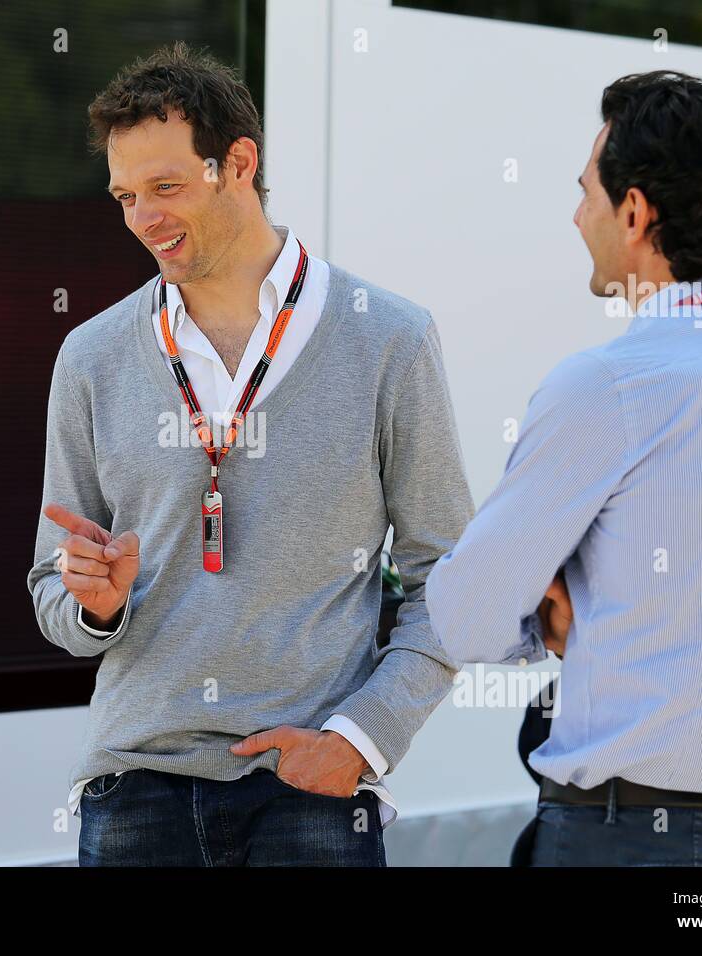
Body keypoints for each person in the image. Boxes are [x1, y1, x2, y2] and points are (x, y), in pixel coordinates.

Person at [27, 43, 473, 866]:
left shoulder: (388, 338)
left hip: (309, 789)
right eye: (126, 196)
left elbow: (447, 576)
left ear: (240, 163)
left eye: (166, 188)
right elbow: (53, 592)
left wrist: (361, 741)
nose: (143, 219)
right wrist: (93, 604)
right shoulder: (90, 358)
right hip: (134, 788)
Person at [423, 71, 702, 867]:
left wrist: (560, 625)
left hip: (625, 841)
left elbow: (464, 616)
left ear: (635, 212)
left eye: (587, 189)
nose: (576, 212)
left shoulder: (607, 386)